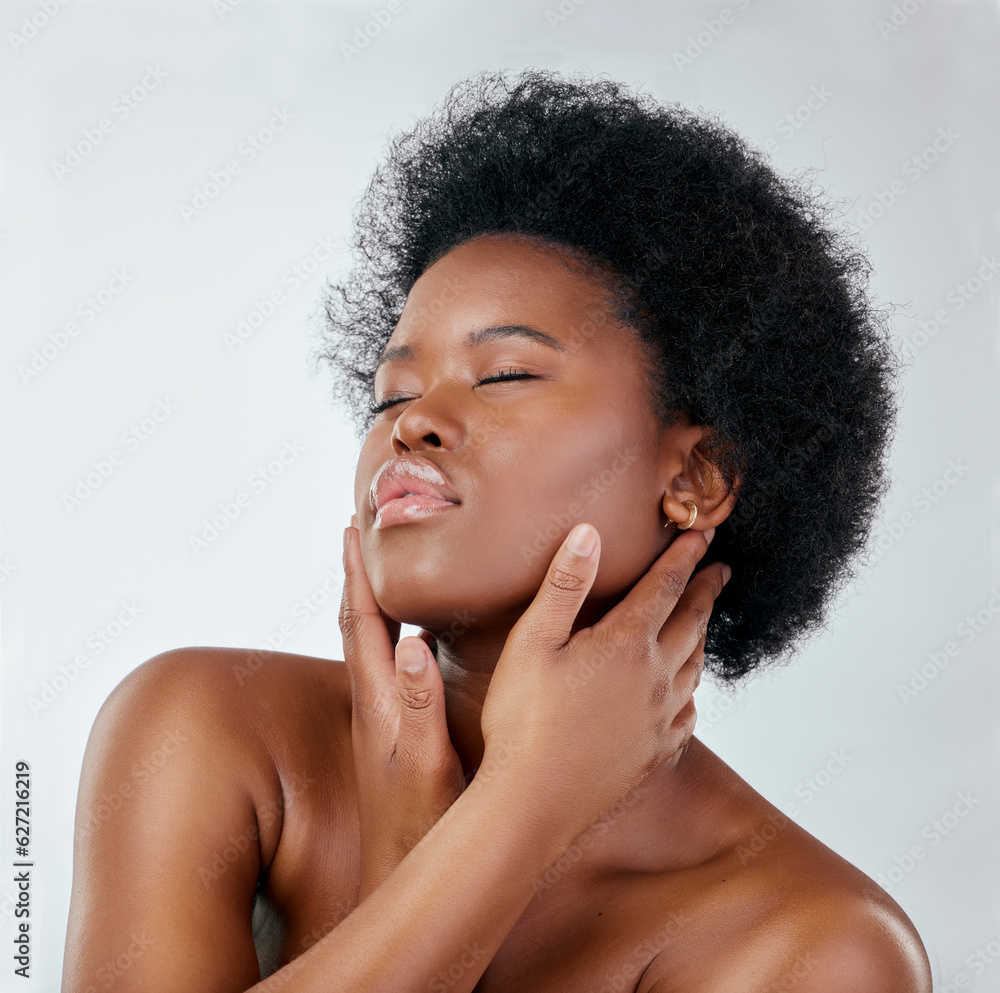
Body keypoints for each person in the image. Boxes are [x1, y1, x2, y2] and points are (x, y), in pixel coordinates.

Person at [62, 68, 932, 991]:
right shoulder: (205, 730)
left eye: (505, 374)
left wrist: (507, 814)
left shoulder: (813, 946)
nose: (412, 422)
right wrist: (520, 807)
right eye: (392, 392)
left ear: (695, 478)